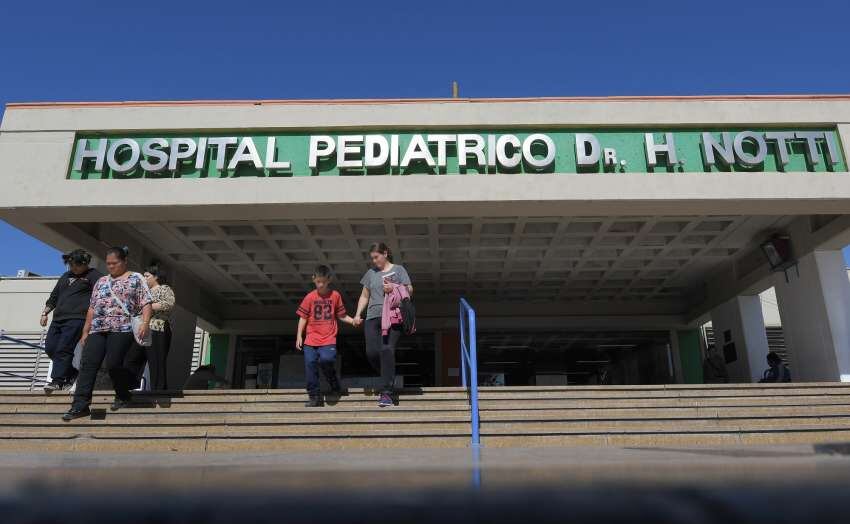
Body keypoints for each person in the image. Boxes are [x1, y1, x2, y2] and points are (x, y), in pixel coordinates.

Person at [62, 246, 153, 421]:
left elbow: (146, 302)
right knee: (88, 364)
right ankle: (80, 406)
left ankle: (122, 394)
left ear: (124, 261)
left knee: (113, 364)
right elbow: (92, 307)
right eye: (108, 264)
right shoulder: (101, 281)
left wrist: (146, 323)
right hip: (98, 328)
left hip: (122, 328)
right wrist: (85, 331)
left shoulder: (136, 278)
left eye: (115, 263)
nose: (111, 267)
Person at [353, 243, 413, 407]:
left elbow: (409, 290)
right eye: (372, 258)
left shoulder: (399, 270)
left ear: (385, 253)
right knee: (372, 352)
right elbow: (365, 296)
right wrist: (358, 314)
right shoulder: (371, 274)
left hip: (393, 315)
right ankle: (388, 375)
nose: (374, 261)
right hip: (372, 317)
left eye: (376, 257)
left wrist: (393, 287)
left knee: (386, 349)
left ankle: (386, 392)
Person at [40, 249, 102, 393]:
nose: (72, 268)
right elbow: (54, 296)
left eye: (76, 265)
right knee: (51, 347)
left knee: (64, 348)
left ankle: (57, 381)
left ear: (85, 264)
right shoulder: (65, 276)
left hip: (77, 318)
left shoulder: (94, 276)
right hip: (58, 318)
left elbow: (101, 295)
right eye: (70, 264)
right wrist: (45, 313)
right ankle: (71, 374)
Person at [296, 265, 357, 407]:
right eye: (318, 281)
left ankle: (333, 382)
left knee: (326, 360)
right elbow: (303, 318)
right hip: (310, 340)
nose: (321, 284)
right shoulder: (310, 297)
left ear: (329, 279)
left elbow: (341, 316)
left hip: (328, 339)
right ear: (313, 279)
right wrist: (299, 335)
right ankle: (314, 396)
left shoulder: (335, 296)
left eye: (323, 281)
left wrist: (352, 320)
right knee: (310, 365)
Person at [124, 264, 175, 391]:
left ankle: (159, 391)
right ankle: (129, 387)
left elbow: (168, 304)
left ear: (156, 277)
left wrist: (147, 308)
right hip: (141, 329)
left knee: (156, 362)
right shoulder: (142, 292)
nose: (144, 279)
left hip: (157, 329)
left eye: (147, 276)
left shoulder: (164, 288)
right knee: (131, 358)